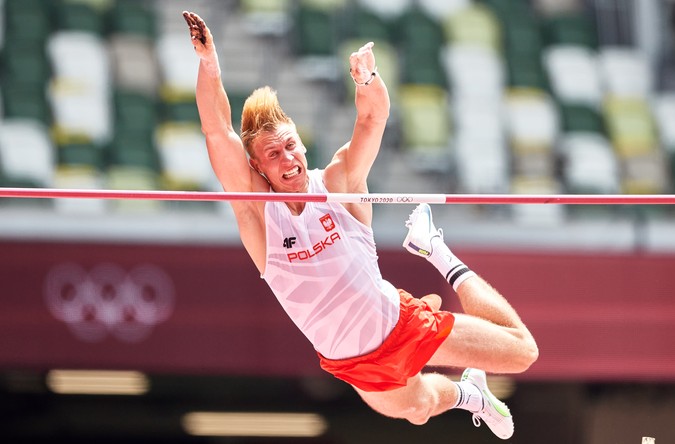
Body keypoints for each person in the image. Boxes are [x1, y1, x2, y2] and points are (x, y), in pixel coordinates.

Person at [182, 11, 538, 440]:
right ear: (257, 167)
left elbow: (372, 120)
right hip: (350, 363)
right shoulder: (256, 213)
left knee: (523, 352)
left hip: (400, 326)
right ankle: (472, 395)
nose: (287, 159)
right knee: (419, 408)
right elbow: (217, 131)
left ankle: (439, 253)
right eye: (273, 155)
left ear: (302, 143)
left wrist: (368, 80)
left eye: (291, 145)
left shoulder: (338, 183)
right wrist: (209, 64)